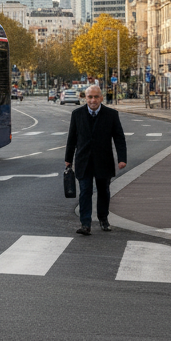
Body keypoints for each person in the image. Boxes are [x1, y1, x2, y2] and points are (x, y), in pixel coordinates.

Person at [65, 84, 126, 234]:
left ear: (101, 98)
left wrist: (122, 158)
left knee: (103, 191)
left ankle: (103, 219)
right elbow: (71, 138)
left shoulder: (111, 114)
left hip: (103, 160)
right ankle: (85, 223)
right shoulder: (77, 114)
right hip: (83, 161)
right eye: (90, 97)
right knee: (85, 191)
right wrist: (68, 159)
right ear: (85, 98)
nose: (93, 100)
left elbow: (119, 138)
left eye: (96, 97)